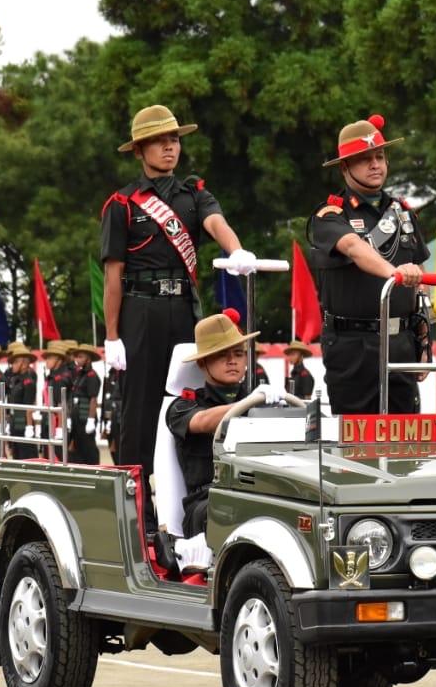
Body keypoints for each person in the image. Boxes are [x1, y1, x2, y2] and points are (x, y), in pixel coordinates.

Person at [100, 104, 256, 527]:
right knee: (140, 410)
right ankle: (135, 514)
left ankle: (191, 501)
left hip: (184, 309)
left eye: (174, 140)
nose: (170, 147)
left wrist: (235, 249)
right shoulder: (123, 204)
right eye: (159, 141)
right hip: (141, 311)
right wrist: (112, 335)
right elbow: (113, 274)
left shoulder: (193, 194)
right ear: (140, 150)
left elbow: (216, 223)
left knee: (191, 400)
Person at [307, 114, 428, 415]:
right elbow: (354, 248)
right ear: (345, 167)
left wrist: (425, 342)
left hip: (400, 341)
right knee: (356, 445)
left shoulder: (403, 213)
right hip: (352, 346)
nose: (375, 164)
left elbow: (421, 284)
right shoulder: (330, 215)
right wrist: (395, 273)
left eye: (380, 156)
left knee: (406, 441)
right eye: (365, 159)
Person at [166, 311, 281, 572]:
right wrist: (252, 403)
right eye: (222, 355)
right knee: (228, 510)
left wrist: (278, 404)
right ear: (202, 363)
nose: (232, 361)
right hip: (208, 502)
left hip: (259, 492)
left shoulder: (260, 397)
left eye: (239, 354)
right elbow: (204, 421)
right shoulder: (182, 405)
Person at [68, 344, 101, 465]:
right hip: (77, 416)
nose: (77, 359)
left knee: (89, 448)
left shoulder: (92, 376)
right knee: (77, 447)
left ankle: (94, 469)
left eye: (81, 357)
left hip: (86, 416)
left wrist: (91, 419)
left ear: (88, 359)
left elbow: (93, 399)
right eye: (77, 357)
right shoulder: (80, 375)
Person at [5, 343, 38, 460]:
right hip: (15, 422)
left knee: (27, 456)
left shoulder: (28, 382)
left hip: (24, 423)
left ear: (23, 363)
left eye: (15, 362)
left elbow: (29, 406)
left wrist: (29, 427)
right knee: (16, 455)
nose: (12, 365)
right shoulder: (16, 380)